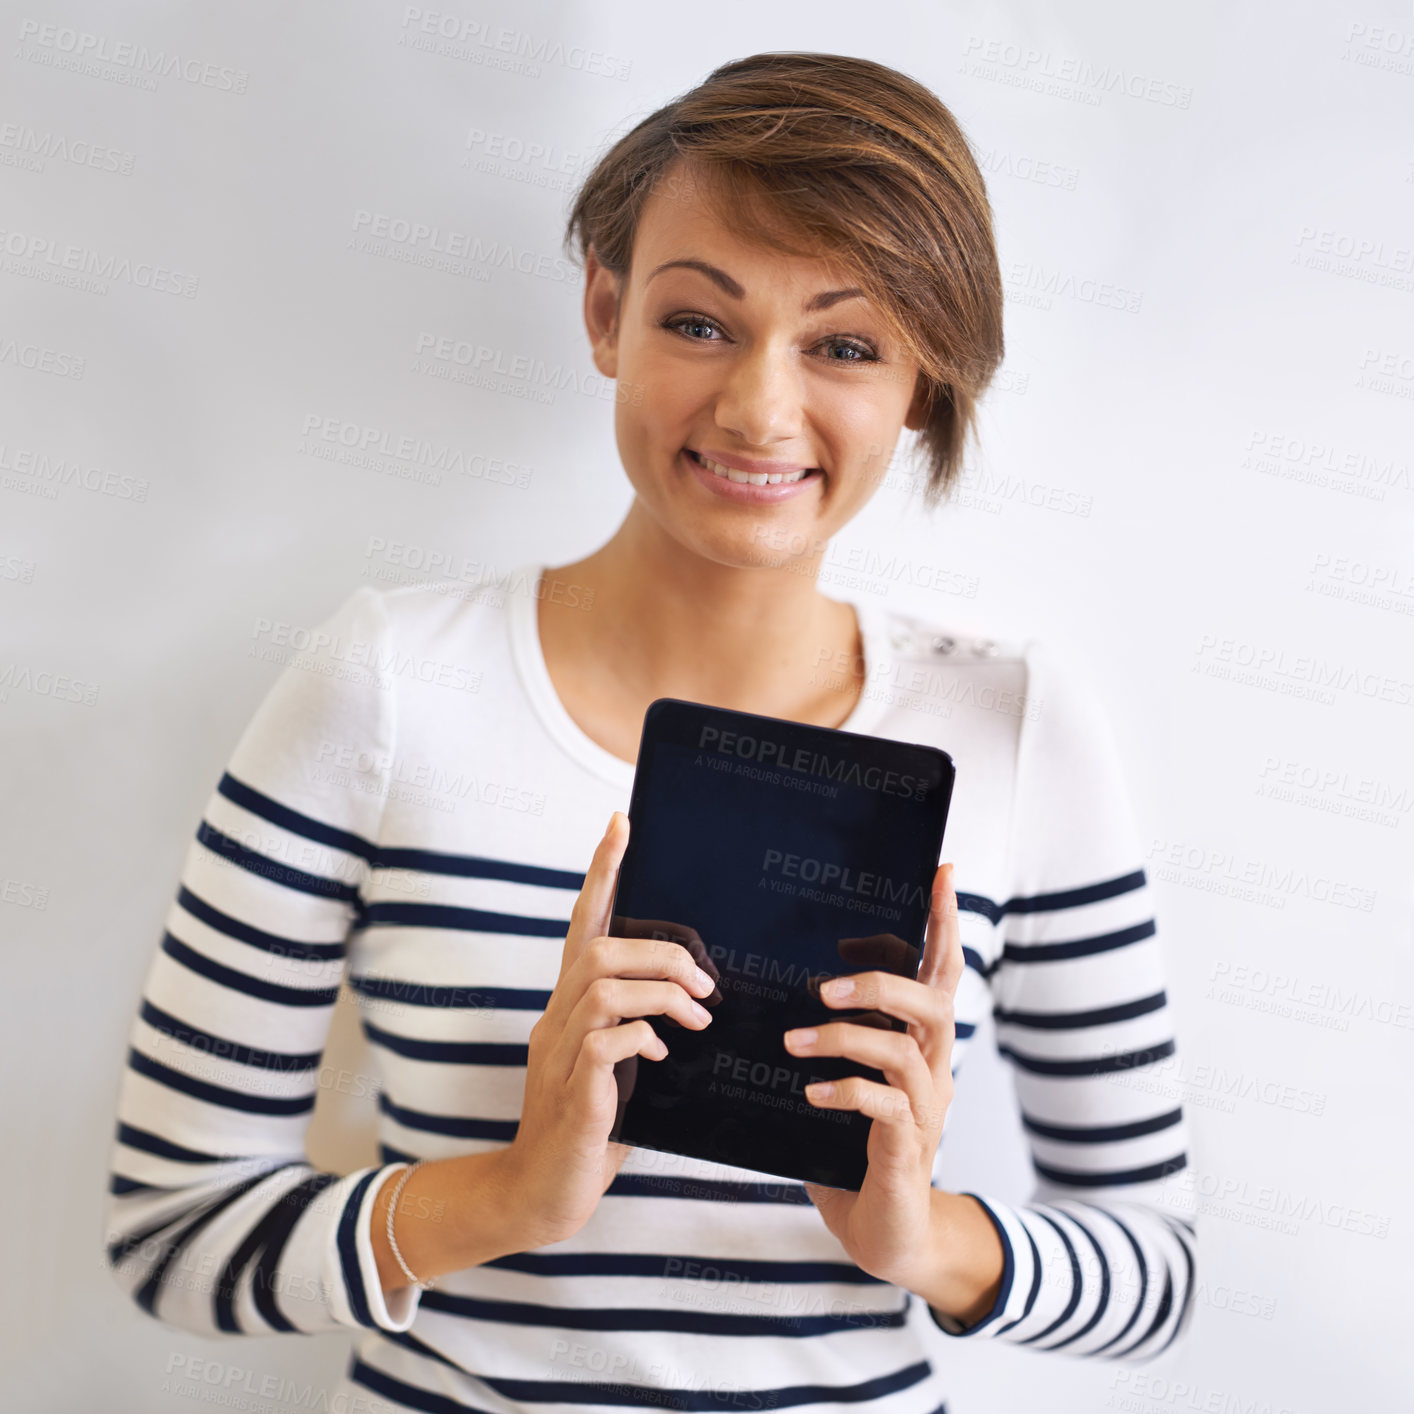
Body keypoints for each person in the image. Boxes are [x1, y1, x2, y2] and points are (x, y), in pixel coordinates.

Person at [103, 51, 1196, 1413]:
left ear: (923, 380)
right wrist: (506, 1191)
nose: (757, 406)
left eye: (845, 344)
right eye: (699, 321)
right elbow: (172, 1233)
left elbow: (1155, 1270)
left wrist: (916, 1235)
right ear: (605, 311)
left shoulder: (1014, 724)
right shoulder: (385, 683)